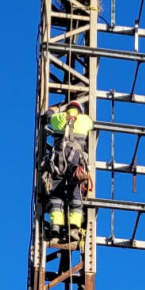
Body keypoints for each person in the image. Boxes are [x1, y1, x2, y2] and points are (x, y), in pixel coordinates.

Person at [42, 101, 93, 240]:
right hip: (76, 161)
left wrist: (53, 109)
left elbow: (47, 115)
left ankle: (55, 228)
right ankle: (74, 228)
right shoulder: (85, 120)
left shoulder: (59, 118)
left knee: (55, 195)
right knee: (75, 192)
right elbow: (91, 126)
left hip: (58, 161)